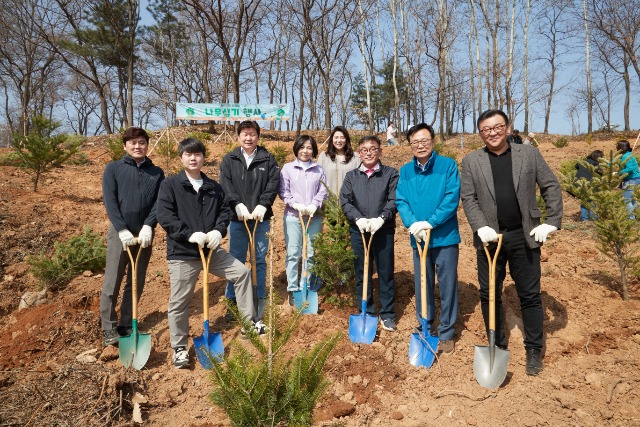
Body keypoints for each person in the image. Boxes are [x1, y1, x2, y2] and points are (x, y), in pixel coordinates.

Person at [460, 109, 563, 376]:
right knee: (489, 294)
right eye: (486, 129)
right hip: (489, 239)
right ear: (480, 133)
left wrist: (552, 220)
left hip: (523, 235)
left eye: (497, 127)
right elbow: (469, 198)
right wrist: (480, 226)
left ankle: (533, 350)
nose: (492, 133)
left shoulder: (527, 154)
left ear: (507, 128)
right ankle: (498, 343)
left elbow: (550, 185)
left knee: (529, 295)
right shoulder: (472, 161)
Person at [157, 138, 264, 368]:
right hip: (183, 253)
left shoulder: (213, 187)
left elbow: (224, 212)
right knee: (179, 301)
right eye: (188, 154)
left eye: (197, 154)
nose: (193, 158)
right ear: (181, 158)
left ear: (204, 158)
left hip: (210, 251)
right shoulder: (170, 185)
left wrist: (218, 230)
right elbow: (165, 216)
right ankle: (179, 348)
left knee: (242, 272)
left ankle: (248, 323)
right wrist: (188, 234)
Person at [396, 123, 460, 354]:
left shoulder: (447, 166)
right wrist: (412, 223)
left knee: (447, 285)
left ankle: (446, 332)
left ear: (433, 142)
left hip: (445, 237)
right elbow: (401, 200)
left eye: (424, 141)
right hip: (419, 238)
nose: (420, 146)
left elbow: (452, 199)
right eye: (415, 142)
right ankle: (425, 324)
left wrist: (430, 222)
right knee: (422, 283)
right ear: (410, 145)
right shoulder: (405, 171)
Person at [100, 127, 165, 347]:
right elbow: (110, 201)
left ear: (147, 145)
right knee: (112, 282)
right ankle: (109, 328)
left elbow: (159, 203)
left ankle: (126, 324)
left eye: (141, 143)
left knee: (136, 281)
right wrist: (121, 228)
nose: (138, 147)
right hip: (121, 234)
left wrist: (149, 225)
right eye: (133, 143)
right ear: (125, 146)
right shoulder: (114, 169)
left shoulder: (156, 173)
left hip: (144, 235)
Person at [220, 121, 280, 321]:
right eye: (245, 134)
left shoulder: (268, 159)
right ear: (238, 136)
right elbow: (226, 184)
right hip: (237, 220)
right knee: (236, 261)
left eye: (252, 134)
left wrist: (264, 204)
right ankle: (233, 301)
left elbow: (273, 183)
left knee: (259, 260)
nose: (248, 138)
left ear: (258, 136)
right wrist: (236, 204)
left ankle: (258, 298)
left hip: (261, 219)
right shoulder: (230, 160)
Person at [340, 135, 399, 331]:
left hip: (383, 231)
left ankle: (388, 313)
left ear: (380, 152)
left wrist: (381, 218)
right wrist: (358, 219)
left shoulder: (390, 174)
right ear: (359, 153)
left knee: (385, 271)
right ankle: (367, 309)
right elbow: (345, 201)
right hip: (359, 230)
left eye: (373, 149)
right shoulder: (351, 176)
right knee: (361, 271)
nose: (368, 153)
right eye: (364, 150)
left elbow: (393, 200)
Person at [279, 135, 327, 305]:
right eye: (302, 147)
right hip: (293, 217)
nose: (305, 151)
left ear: (313, 150)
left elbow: (323, 190)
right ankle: (293, 289)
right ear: (296, 149)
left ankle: (305, 285)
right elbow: (284, 191)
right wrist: (295, 205)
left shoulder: (318, 169)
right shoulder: (288, 168)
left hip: (313, 217)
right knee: (293, 253)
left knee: (311, 253)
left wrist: (315, 204)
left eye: (309, 148)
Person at [316, 126, 360, 197]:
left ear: (346, 139)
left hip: (349, 202)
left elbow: (359, 181)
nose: (339, 140)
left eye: (342, 137)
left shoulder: (355, 157)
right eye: (336, 137)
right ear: (332, 139)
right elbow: (318, 180)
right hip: (329, 202)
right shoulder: (324, 157)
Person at [575, 150, 604, 221]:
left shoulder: (584, 161)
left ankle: (585, 219)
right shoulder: (596, 164)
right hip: (590, 184)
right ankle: (593, 218)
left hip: (579, 183)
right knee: (592, 199)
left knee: (584, 200)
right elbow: (600, 172)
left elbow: (576, 165)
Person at [616, 140, 640, 215]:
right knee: (632, 199)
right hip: (636, 179)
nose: (616, 147)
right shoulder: (628, 154)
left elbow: (630, 168)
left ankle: (631, 217)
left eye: (617, 145)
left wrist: (619, 173)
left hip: (631, 180)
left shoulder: (626, 156)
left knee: (626, 199)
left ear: (621, 148)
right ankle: (635, 215)